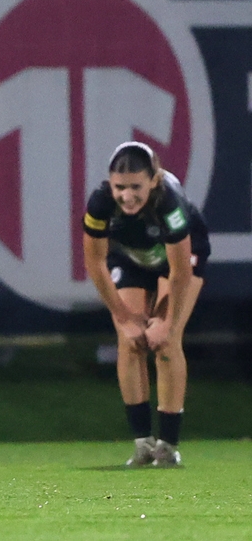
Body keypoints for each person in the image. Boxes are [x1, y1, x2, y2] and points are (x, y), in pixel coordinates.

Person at [83, 142, 209, 467]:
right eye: (119, 187)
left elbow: (180, 272)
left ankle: (168, 446)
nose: (127, 196)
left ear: (153, 180)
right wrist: (124, 317)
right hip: (131, 258)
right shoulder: (100, 203)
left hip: (179, 261)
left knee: (166, 341)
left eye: (135, 187)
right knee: (130, 341)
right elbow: (95, 263)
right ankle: (143, 443)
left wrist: (167, 322)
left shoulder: (169, 203)